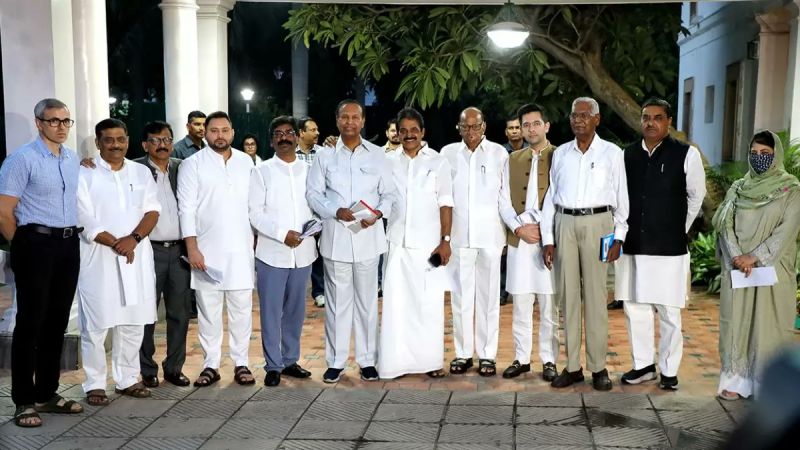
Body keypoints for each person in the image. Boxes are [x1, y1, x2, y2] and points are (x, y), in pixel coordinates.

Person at [0, 98, 83, 427]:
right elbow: (4, 211)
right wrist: (21, 246)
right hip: (35, 243)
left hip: (67, 244)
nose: (61, 127)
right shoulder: (21, 159)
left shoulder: (72, 159)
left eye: (66, 121)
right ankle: (23, 400)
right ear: (39, 123)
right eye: (53, 121)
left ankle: (47, 393)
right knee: (30, 323)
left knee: (57, 321)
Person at [616, 98, 706, 390]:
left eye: (657, 117)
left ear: (668, 122)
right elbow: (620, 198)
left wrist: (679, 228)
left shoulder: (686, 154)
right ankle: (642, 365)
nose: (650, 123)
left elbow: (696, 196)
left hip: (669, 248)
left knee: (669, 310)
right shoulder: (627, 155)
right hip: (634, 243)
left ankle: (669, 369)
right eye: (645, 117)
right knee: (635, 307)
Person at [541, 97, 628, 391]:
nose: (577, 120)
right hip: (564, 223)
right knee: (567, 298)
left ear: (597, 120)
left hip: (598, 223)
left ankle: (598, 367)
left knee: (595, 296)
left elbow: (622, 198)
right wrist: (548, 240)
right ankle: (573, 367)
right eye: (573, 115)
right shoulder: (561, 154)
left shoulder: (612, 153)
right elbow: (550, 198)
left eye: (584, 115)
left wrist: (619, 236)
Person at [306, 99, 396, 383]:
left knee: (368, 303)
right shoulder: (324, 155)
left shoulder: (378, 155)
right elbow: (313, 194)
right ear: (337, 120)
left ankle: (368, 361)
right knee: (336, 304)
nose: (350, 122)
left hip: (369, 238)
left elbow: (390, 194)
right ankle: (336, 361)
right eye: (344, 117)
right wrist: (335, 211)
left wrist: (379, 213)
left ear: (363, 121)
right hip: (337, 239)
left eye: (355, 117)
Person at [76, 118, 160, 405]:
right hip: (99, 258)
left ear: (128, 140)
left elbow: (152, 211)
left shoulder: (141, 172)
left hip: (135, 256)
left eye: (120, 139)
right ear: (98, 143)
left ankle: (127, 379)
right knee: (96, 324)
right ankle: (95, 384)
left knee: (133, 321)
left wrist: (133, 239)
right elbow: (84, 217)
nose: (115, 145)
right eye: (108, 140)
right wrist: (117, 243)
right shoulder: (84, 174)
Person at [713, 129, 800, 401]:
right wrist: (738, 256)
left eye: (765, 154)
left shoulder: (791, 189)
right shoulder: (739, 187)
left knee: (769, 325)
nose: (759, 158)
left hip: (772, 270)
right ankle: (735, 381)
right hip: (739, 270)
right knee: (736, 322)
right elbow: (725, 224)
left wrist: (755, 257)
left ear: (775, 156)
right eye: (754, 153)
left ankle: (767, 385)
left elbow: (787, 230)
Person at [178, 111, 256, 387]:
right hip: (206, 252)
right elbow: (185, 209)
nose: (219, 135)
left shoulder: (247, 162)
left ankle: (241, 362)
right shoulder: (192, 164)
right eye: (214, 131)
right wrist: (193, 247)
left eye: (225, 130)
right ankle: (210, 364)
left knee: (241, 310)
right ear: (205, 133)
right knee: (209, 311)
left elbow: (255, 206)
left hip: (241, 250)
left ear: (232, 132)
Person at [378, 107, 453, 379]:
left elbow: (446, 203)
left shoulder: (438, 161)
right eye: (404, 131)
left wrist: (445, 241)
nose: (408, 135)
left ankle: (430, 362)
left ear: (423, 133)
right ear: (397, 133)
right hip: (396, 243)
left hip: (428, 246)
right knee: (396, 305)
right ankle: (394, 364)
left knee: (428, 305)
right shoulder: (387, 161)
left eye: (414, 130)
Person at [441, 107, 516, 377]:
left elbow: (504, 198)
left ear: (484, 127)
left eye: (475, 126)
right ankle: (462, 353)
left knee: (488, 299)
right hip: (459, 238)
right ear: (458, 128)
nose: (471, 131)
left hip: (490, 238)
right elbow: (442, 198)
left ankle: (487, 354)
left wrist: (514, 229)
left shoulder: (499, 154)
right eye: (465, 126)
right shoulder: (447, 154)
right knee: (460, 298)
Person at [249, 116, 316, 387]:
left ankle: (290, 360)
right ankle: (273, 364)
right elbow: (254, 213)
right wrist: (281, 234)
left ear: (297, 137)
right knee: (271, 310)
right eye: (279, 133)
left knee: (296, 311)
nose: (285, 137)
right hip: (272, 253)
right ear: (271, 140)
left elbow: (316, 205)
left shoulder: (310, 171)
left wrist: (315, 226)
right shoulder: (261, 171)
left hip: (304, 252)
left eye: (289, 132)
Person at [501, 103, 559, 382]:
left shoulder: (561, 156)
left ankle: (549, 359)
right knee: (521, 302)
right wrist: (518, 228)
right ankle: (522, 358)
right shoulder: (512, 159)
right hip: (520, 239)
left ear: (546, 126)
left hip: (550, 240)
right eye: (526, 125)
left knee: (549, 305)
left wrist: (546, 231)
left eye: (536, 123)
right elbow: (501, 199)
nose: (531, 129)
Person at [135, 121, 192, 388]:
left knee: (180, 313)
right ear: (145, 144)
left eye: (167, 139)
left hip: (179, 250)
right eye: (155, 140)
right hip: (148, 250)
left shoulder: (183, 168)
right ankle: (147, 368)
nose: (162, 145)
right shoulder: (134, 170)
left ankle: (174, 367)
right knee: (147, 313)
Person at [296, 117, 326, 308]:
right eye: (312, 130)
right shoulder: (291, 154)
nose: (317, 133)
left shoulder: (323, 153)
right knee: (298, 253)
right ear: (301, 133)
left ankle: (320, 291)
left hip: (321, 213)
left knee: (322, 254)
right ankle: (294, 293)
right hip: (299, 213)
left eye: (317, 130)